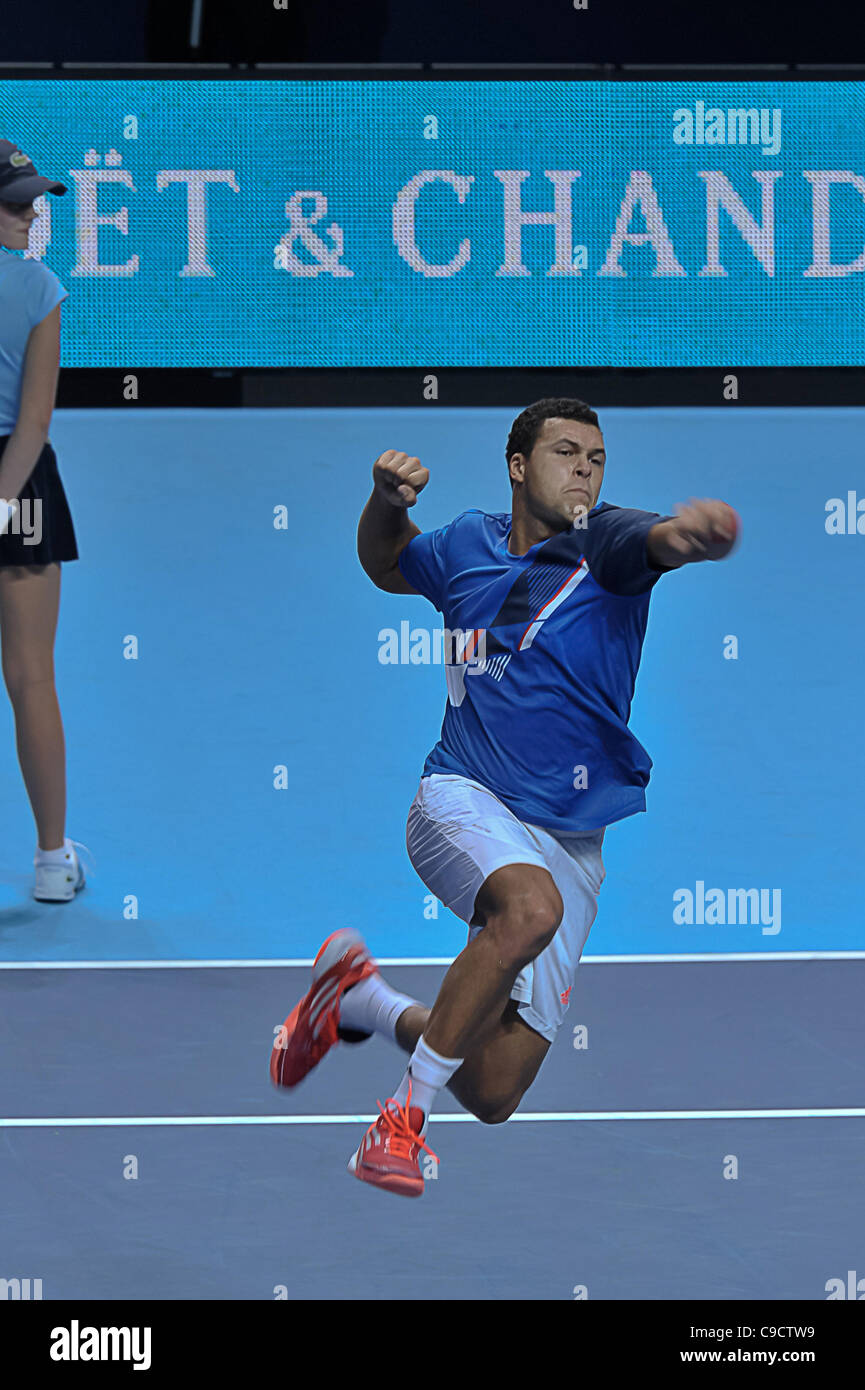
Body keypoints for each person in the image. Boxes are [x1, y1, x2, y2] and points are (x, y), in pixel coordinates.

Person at [271, 397, 739, 1197]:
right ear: (518, 467)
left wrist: (689, 539)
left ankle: (360, 999)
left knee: (492, 1089)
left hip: (571, 840)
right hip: (461, 798)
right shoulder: (463, 546)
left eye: (596, 456)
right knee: (529, 910)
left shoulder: (610, 544)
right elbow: (385, 563)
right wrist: (386, 503)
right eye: (565, 452)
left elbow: (656, 542)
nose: (584, 468)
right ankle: (399, 1123)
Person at [0, 139, 84, 902]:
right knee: (30, 676)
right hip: (18, 486)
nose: (32, 215)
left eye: (34, 201)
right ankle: (53, 860)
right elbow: (33, 424)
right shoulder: (40, 289)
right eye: (16, 202)